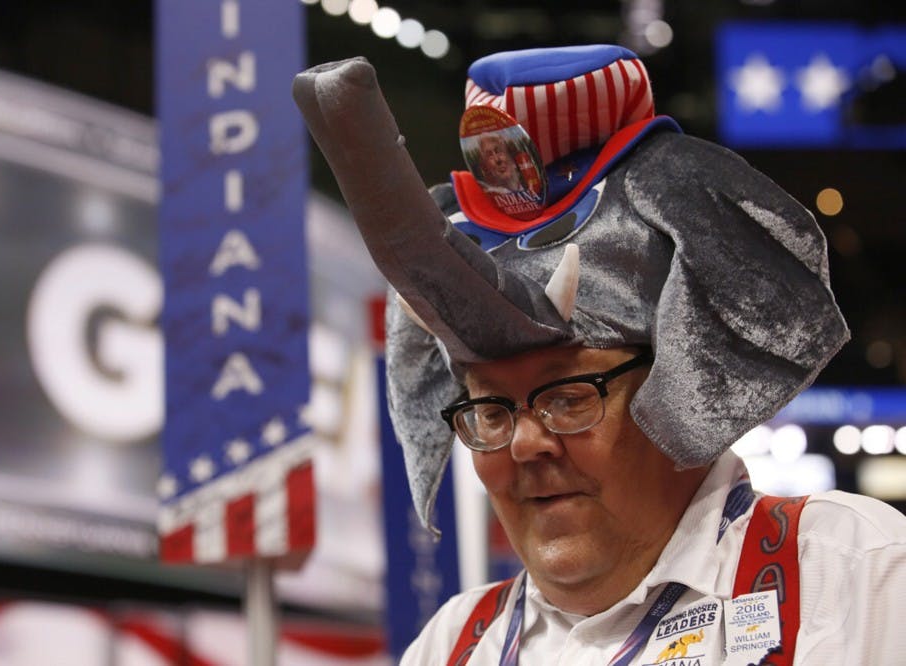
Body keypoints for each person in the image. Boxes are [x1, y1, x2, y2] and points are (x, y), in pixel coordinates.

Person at [292, 45, 906, 665]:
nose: (525, 444)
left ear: (683, 377)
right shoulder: (452, 645)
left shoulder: (850, 573)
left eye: (567, 397)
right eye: (492, 412)